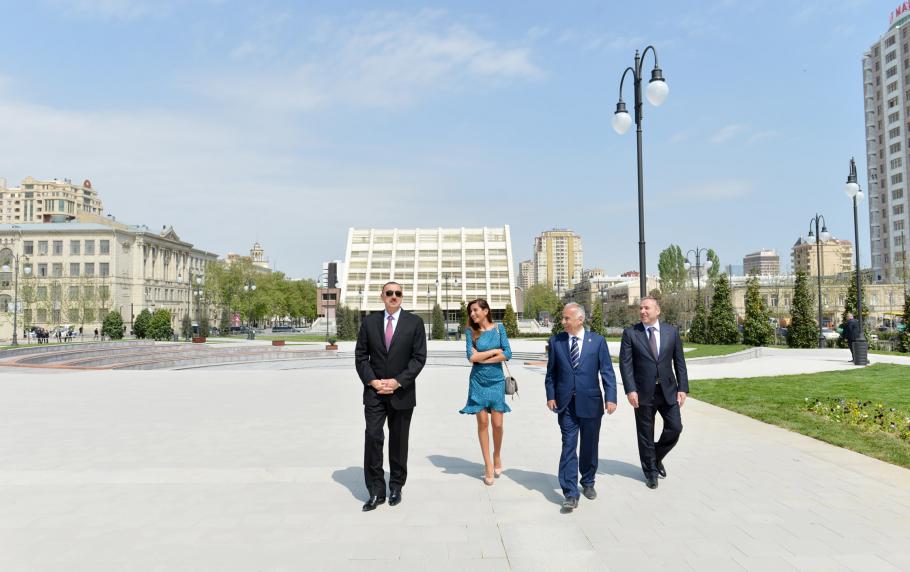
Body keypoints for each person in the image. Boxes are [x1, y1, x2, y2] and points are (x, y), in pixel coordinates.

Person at [355, 281, 427, 512]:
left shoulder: (414, 323)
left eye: (398, 293)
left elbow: (418, 358)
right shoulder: (369, 322)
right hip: (374, 392)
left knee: (398, 441)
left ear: (402, 297)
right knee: (373, 438)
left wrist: (397, 382)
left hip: (402, 393)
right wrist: (373, 381)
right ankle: (376, 490)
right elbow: (361, 357)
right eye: (389, 293)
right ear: (382, 296)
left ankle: (396, 485)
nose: (393, 296)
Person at [545, 302, 617, 512]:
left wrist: (610, 397)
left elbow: (607, 372)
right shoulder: (556, 341)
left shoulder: (598, 342)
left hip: (592, 403)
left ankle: (588, 481)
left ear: (580, 319)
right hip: (566, 404)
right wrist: (551, 396)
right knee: (568, 445)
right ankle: (569, 492)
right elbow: (551, 374)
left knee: (589, 445)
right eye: (563, 318)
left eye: (567, 318)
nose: (563, 322)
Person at [619, 297, 689, 490]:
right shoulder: (631, 333)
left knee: (675, 428)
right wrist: (630, 390)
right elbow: (626, 365)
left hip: (668, 391)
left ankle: (656, 457)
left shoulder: (671, 332)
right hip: (642, 392)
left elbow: (679, 362)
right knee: (645, 434)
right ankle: (650, 472)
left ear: (657, 311)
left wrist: (683, 388)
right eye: (640, 308)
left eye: (646, 308)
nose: (642, 311)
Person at [459, 298, 512, 486]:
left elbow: (508, 353)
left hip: (496, 381)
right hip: (478, 382)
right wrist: (493, 352)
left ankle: (496, 454)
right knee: (482, 423)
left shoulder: (499, 329)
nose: (472, 314)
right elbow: (470, 357)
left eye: (475, 310)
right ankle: (488, 464)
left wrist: (483, 357)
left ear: (486, 310)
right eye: (470, 312)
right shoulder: (470, 332)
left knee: (497, 424)